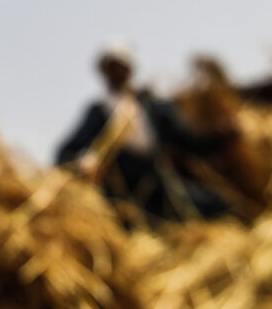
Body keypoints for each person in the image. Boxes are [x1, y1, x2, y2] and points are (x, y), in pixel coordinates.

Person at [55, 40, 230, 225]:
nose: (116, 72)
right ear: (103, 72)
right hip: (123, 197)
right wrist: (82, 163)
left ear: (129, 69)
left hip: (161, 187)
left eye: (120, 66)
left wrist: (218, 137)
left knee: (217, 206)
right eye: (111, 67)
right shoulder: (99, 111)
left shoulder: (150, 105)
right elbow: (65, 152)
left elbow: (188, 140)